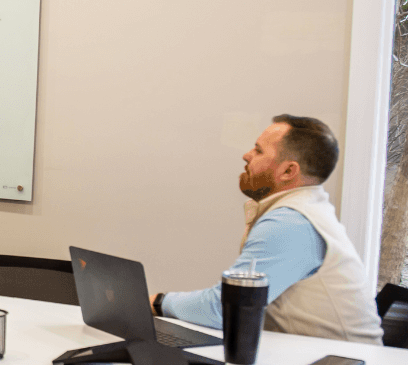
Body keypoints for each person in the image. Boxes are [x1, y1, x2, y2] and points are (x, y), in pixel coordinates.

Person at [150, 114, 383, 344]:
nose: (246, 155)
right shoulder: (304, 209)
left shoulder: (292, 222)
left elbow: (227, 309)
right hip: (313, 358)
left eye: (258, 150)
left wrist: (157, 302)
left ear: (288, 172)